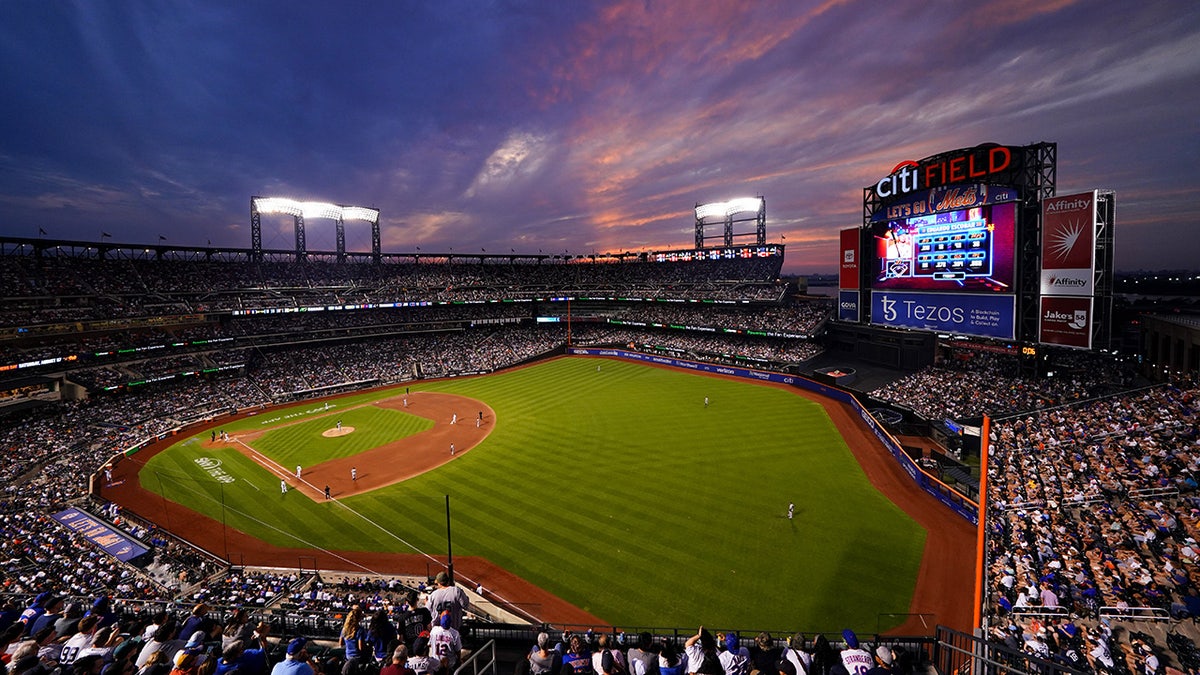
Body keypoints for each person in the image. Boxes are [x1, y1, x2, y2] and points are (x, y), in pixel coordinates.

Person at [340, 606, 366, 675]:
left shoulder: (344, 629)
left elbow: (340, 643)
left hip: (348, 656)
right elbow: (360, 648)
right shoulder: (360, 630)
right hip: (358, 657)